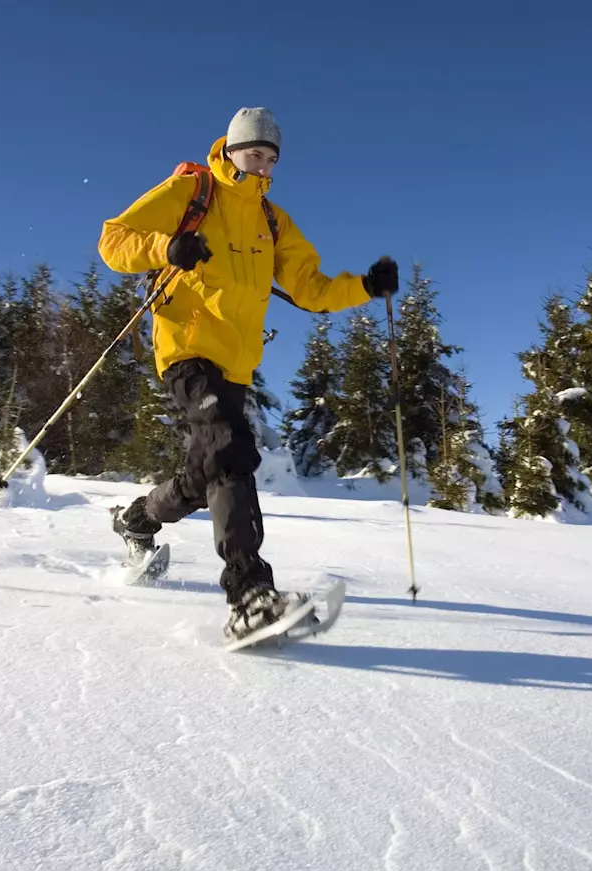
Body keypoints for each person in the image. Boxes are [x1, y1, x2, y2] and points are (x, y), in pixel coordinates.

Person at [97, 107, 398, 639]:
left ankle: (137, 519)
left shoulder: (272, 221)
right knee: (230, 451)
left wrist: (365, 288)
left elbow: (310, 289)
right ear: (231, 150)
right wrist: (166, 246)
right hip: (188, 349)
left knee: (206, 471)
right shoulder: (191, 193)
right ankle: (249, 594)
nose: (262, 167)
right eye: (254, 154)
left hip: (236, 366)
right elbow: (114, 240)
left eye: (271, 158)